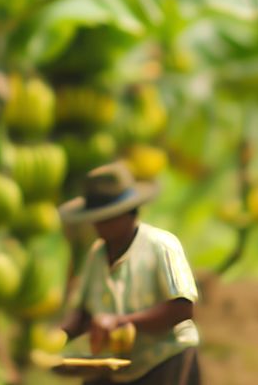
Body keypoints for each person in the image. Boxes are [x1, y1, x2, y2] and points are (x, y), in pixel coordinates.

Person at [54, 161, 201, 385]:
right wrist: (60, 336)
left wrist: (121, 321)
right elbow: (84, 314)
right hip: (118, 363)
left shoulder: (161, 246)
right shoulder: (97, 255)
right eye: (96, 218)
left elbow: (182, 308)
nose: (98, 225)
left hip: (165, 359)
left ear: (128, 213)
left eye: (107, 217)